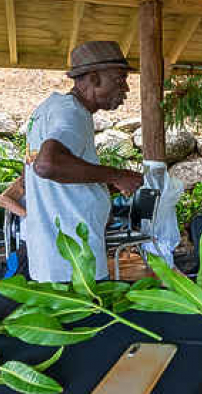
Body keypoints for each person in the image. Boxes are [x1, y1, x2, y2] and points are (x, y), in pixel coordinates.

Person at [26, 41, 142, 282]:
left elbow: (59, 176)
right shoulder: (72, 111)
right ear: (93, 78)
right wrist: (117, 175)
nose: (126, 89)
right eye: (119, 80)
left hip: (55, 256)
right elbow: (47, 165)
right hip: (74, 260)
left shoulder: (48, 109)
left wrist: (101, 185)